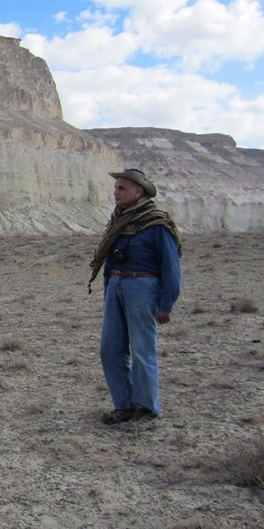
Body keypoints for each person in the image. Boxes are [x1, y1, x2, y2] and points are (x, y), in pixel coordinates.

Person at [88, 168, 182, 426]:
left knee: (142, 349)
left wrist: (166, 304)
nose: (115, 192)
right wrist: (109, 290)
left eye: (122, 188)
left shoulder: (157, 223)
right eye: (115, 187)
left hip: (143, 287)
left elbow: (170, 267)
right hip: (117, 285)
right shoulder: (119, 221)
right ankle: (124, 405)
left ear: (138, 192)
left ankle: (147, 407)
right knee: (110, 348)